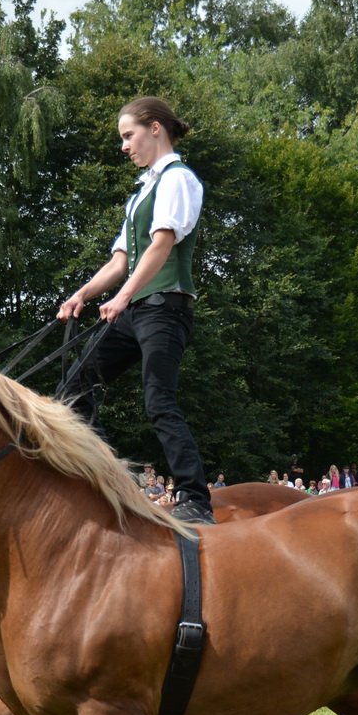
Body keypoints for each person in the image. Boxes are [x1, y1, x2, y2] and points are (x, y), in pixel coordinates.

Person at [58, 96, 214, 525]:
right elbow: (118, 262)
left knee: (158, 399)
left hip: (166, 306)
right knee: (76, 382)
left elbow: (162, 246)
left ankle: (195, 497)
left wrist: (123, 296)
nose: (124, 146)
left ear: (155, 129)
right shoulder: (142, 192)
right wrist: (81, 295)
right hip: (136, 307)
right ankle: (107, 481)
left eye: (129, 136)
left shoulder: (178, 180)